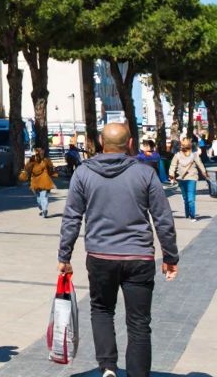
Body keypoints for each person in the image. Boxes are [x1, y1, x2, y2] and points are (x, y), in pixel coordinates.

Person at [59, 122, 179, 377]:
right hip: (139, 258)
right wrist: (170, 256)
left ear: (101, 143)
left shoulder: (83, 173)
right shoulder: (145, 173)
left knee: (102, 311)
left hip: (100, 256)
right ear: (131, 144)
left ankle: (108, 368)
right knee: (139, 323)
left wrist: (64, 256)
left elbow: (71, 217)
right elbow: (163, 218)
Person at [168, 139, 208, 221]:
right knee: (186, 198)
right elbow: (173, 165)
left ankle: (192, 216)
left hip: (192, 178)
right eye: (183, 145)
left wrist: (204, 172)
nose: (183, 147)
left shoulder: (194, 155)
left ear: (189, 146)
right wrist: (171, 174)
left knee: (191, 199)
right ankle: (187, 214)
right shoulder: (177, 155)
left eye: (185, 145)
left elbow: (200, 164)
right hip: (181, 178)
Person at [19, 146, 58, 217]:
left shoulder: (40, 160)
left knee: (41, 197)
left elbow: (27, 169)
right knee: (42, 197)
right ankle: (44, 209)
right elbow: (50, 169)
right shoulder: (41, 160)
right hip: (41, 181)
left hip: (39, 182)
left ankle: (44, 209)